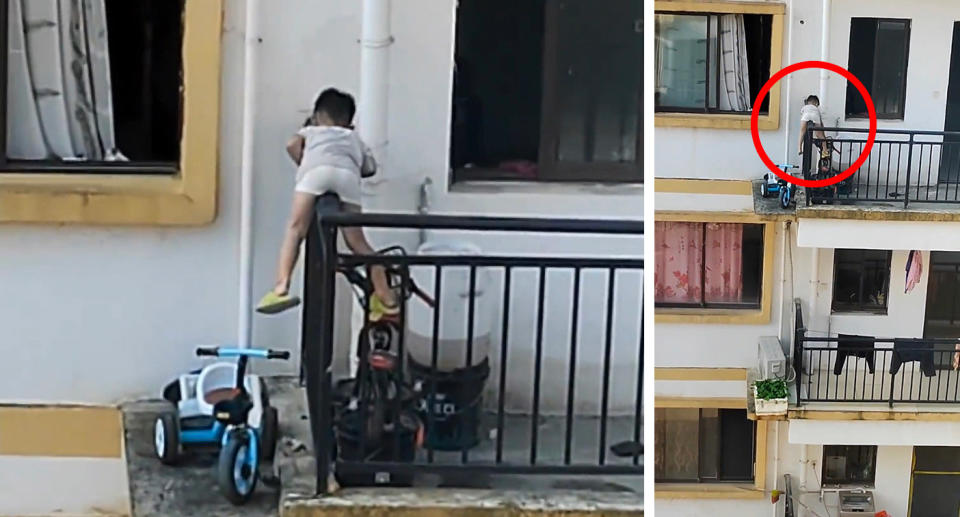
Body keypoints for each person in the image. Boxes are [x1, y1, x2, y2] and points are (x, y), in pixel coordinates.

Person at [256, 88, 398, 319]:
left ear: (317, 115)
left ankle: (281, 287)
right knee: (358, 242)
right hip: (347, 179)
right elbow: (369, 168)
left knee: (295, 230)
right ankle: (385, 297)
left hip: (314, 174)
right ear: (349, 121)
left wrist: (304, 162)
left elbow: (291, 144)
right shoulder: (353, 138)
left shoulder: (311, 130)